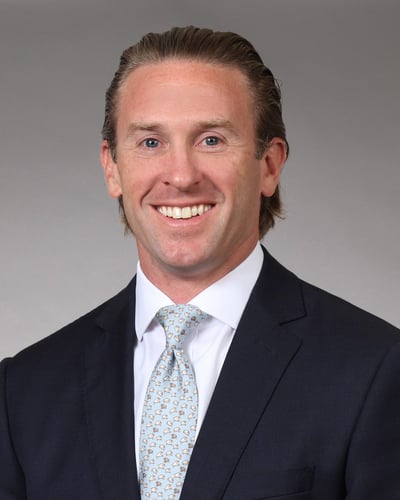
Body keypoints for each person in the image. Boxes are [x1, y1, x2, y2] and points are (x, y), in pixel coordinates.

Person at [1, 26, 399, 500]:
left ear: (269, 165)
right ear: (112, 167)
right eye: (151, 142)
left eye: (211, 140)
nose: (182, 175)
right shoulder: (24, 390)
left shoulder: (374, 370)